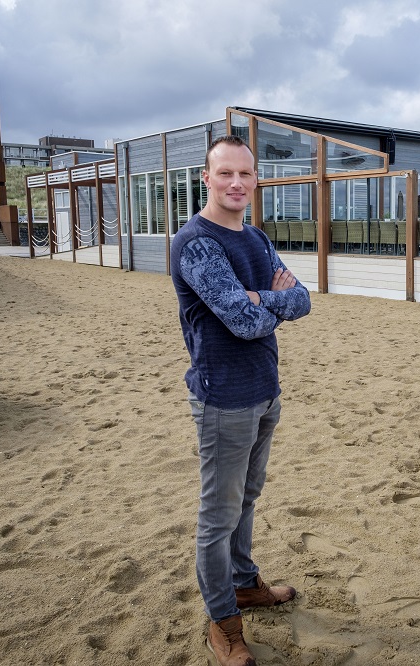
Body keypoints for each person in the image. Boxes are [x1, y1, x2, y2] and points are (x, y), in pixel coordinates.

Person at [170, 135, 311, 666]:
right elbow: (242, 320)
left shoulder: (255, 237)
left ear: (256, 180)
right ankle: (223, 622)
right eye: (224, 173)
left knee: (247, 499)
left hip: (266, 390)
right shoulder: (197, 243)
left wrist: (264, 299)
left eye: (245, 174)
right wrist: (266, 302)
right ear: (205, 178)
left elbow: (303, 299)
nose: (235, 183)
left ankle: (245, 583)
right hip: (223, 399)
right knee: (218, 514)